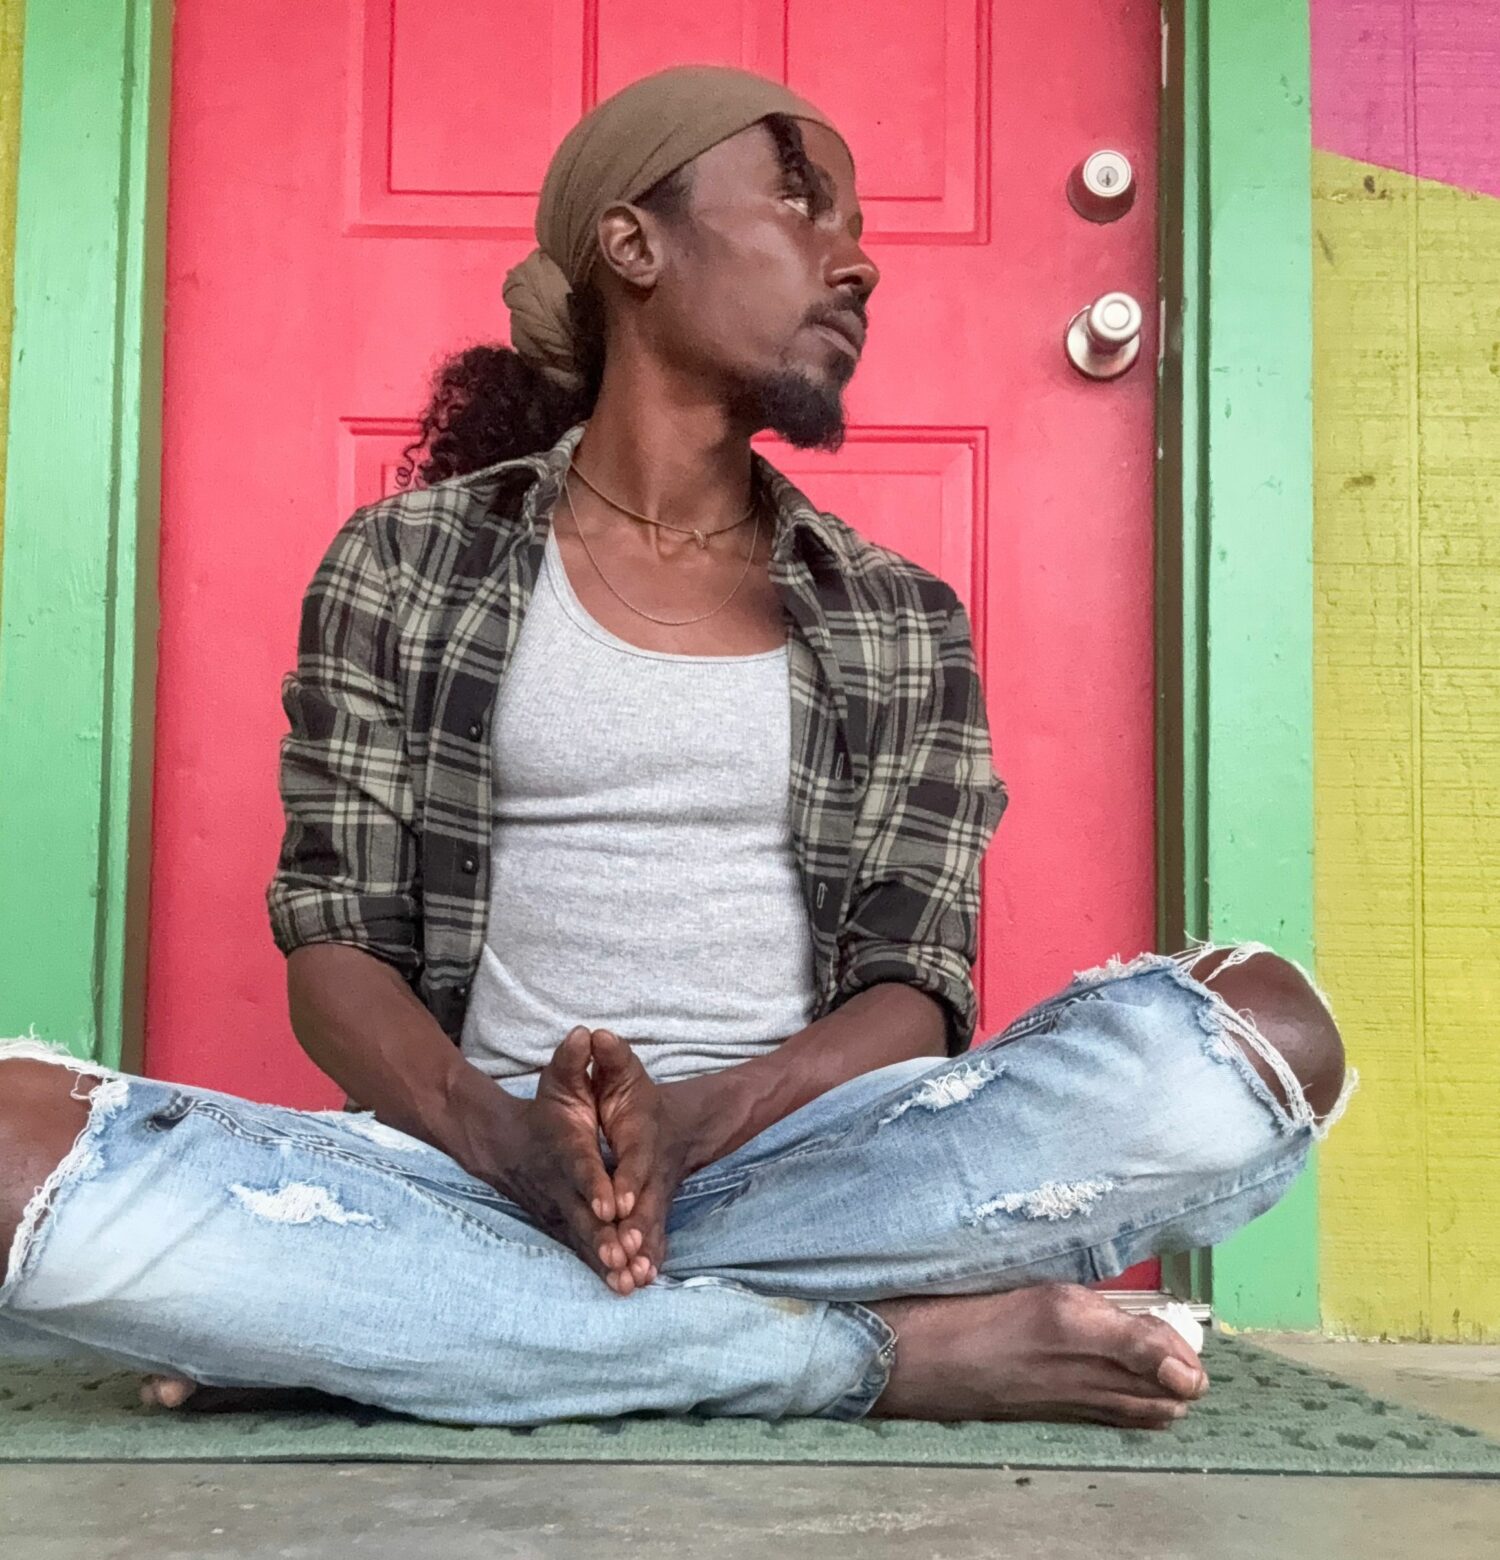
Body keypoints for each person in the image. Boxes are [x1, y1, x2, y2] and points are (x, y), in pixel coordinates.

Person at [0, 68, 1346, 1432]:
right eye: (801, 204)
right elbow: (336, 946)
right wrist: (510, 1147)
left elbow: (915, 986)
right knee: (8, 1153)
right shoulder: (407, 563)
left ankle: (394, 1323)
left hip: (816, 1169)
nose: (857, 261)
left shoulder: (897, 614)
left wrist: (695, 1125)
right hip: (469, 1161)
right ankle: (873, 1358)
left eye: (855, 224)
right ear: (634, 245)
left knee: (1255, 1046)